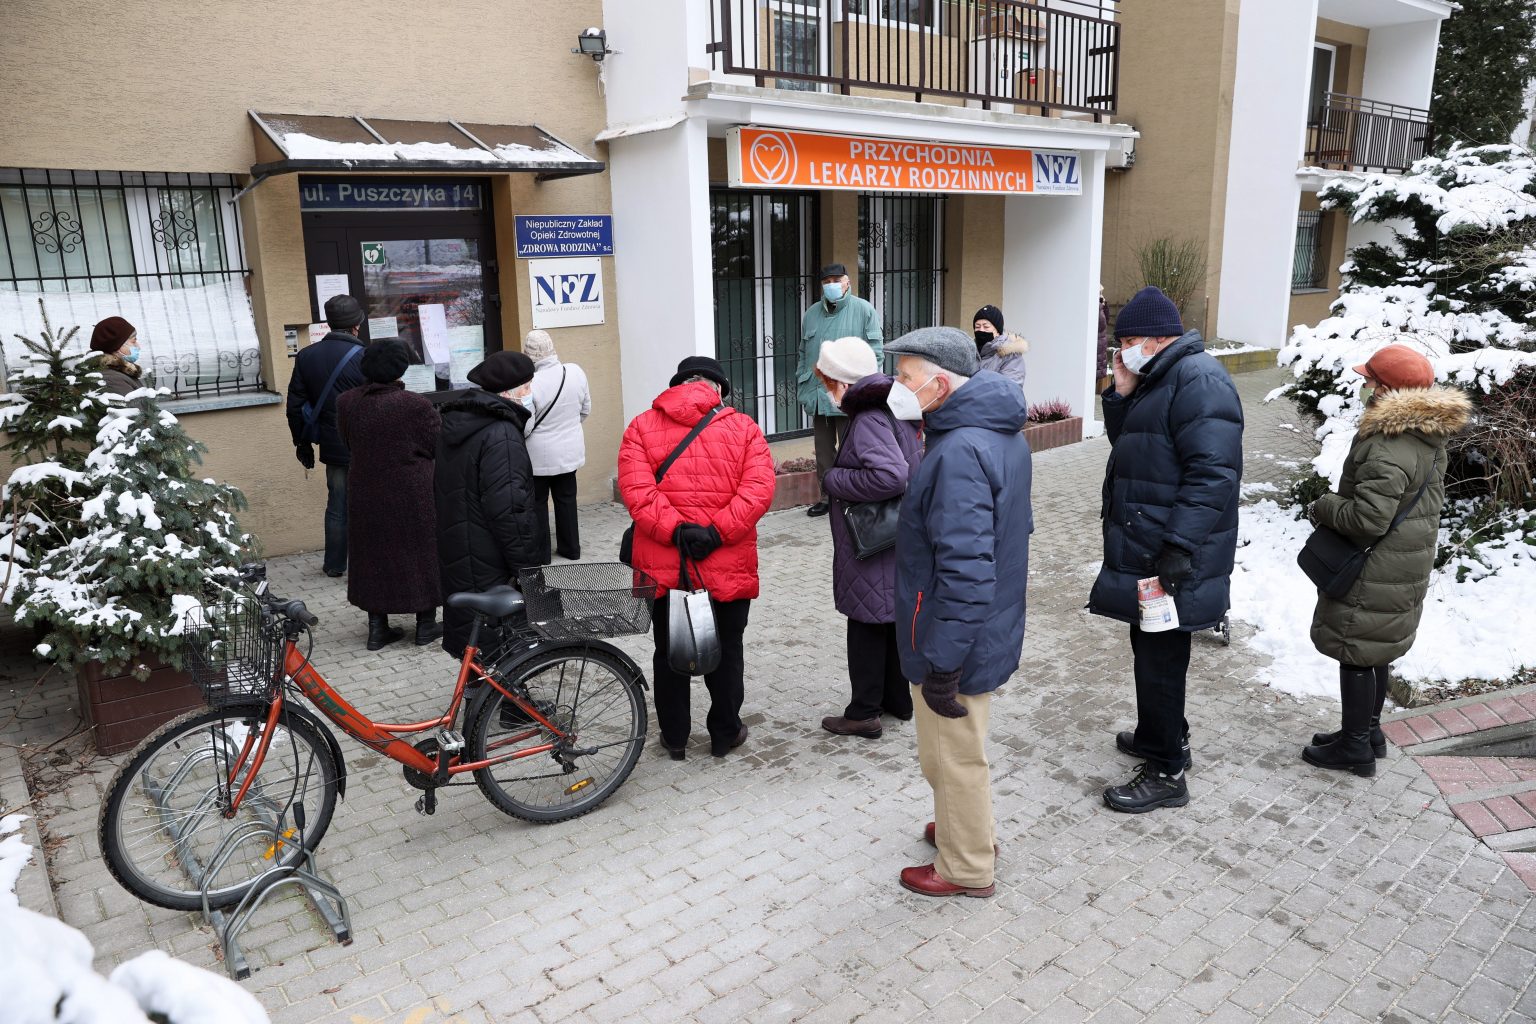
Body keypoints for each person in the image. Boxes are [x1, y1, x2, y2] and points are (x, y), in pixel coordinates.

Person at [887, 327, 1032, 899]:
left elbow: (966, 569)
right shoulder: (993, 433)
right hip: (982, 625)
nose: (898, 387)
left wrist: (943, 661)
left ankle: (966, 865)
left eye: (905, 377)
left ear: (940, 385)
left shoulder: (958, 452)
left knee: (951, 756)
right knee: (956, 751)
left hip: (955, 635)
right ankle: (966, 829)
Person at [1088, 286, 1244, 814]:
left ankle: (1167, 772)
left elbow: (1213, 473)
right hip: (1150, 544)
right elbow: (1134, 445)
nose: (1121, 351)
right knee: (1151, 649)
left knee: (1161, 659)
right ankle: (1162, 735)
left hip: (1170, 551)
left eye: (1127, 342)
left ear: (1155, 340)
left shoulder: (1198, 380)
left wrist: (1178, 544)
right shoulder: (1161, 376)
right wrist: (1121, 393)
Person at [1303, 345, 1469, 776]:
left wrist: (1324, 505)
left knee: (1357, 651)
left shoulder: (1389, 444)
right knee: (1375, 650)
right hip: (1400, 563)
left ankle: (1354, 748)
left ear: (1386, 389)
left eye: (1369, 379)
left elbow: (1368, 519)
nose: (1363, 385)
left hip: (1376, 566)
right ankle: (1367, 732)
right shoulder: (1425, 433)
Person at [618, 356, 775, 760]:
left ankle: (675, 739)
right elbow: (758, 490)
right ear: (718, 390)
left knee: (668, 651)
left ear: (677, 386)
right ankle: (724, 734)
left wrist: (675, 531)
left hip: (664, 564)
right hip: (727, 561)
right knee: (728, 650)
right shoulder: (745, 429)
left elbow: (637, 493)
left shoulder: (640, 427)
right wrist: (715, 533)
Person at [815, 337, 922, 739]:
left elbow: (891, 476)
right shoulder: (893, 407)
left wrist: (834, 478)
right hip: (894, 534)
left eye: (828, 383)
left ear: (843, 383)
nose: (828, 392)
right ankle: (897, 700)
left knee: (865, 623)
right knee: (887, 618)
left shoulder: (867, 418)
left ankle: (863, 712)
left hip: (873, 541)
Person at [336, 339, 443, 651]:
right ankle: (425, 624)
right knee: (421, 552)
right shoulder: (415, 405)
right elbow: (436, 445)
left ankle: (377, 628)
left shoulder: (347, 402)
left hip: (366, 490)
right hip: (412, 491)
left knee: (372, 554)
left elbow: (348, 442)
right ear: (401, 368)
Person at [433, 350, 541, 659]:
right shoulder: (501, 433)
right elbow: (510, 511)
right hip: (489, 557)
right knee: (500, 646)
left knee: (474, 642)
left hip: (461, 548)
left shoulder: (460, 423)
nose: (530, 393)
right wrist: (527, 569)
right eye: (526, 387)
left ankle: (479, 687)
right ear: (507, 392)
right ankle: (502, 692)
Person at [286, 294, 368, 578]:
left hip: (333, 445)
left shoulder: (307, 356)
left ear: (330, 323)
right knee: (372, 502)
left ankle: (334, 564)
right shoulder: (365, 357)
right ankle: (368, 564)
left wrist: (302, 442)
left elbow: (295, 405)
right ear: (356, 325)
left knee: (337, 504)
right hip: (367, 444)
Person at [797, 263, 883, 518]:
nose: (832, 285)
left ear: (847, 282)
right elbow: (803, 353)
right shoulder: (811, 314)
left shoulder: (864, 310)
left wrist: (862, 387)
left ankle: (852, 497)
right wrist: (802, 380)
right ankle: (827, 497)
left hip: (850, 395)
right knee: (824, 452)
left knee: (853, 450)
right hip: (819, 393)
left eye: (837, 280)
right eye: (827, 281)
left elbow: (875, 353)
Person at [521, 329, 592, 563]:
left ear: (529, 354)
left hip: (538, 457)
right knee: (567, 499)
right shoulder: (576, 372)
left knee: (538, 503)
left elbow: (527, 425)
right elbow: (585, 409)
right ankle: (571, 549)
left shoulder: (530, 384)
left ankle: (542, 555)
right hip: (570, 452)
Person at [87, 316, 151, 411]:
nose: (138, 346)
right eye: (134, 341)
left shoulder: (120, 371)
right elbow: (134, 416)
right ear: (116, 347)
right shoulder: (111, 379)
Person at [971, 304, 1028, 392]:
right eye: (977, 327)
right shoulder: (969, 351)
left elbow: (1009, 390)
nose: (981, 330)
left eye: (986, 327)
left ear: (998, 331)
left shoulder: (1011, 355)